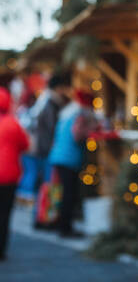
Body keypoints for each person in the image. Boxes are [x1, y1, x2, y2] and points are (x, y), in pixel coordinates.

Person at [49, 89, 98, 237]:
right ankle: (65, 228)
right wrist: (90, 132)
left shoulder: (67, 113)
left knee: (64, 192)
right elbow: (77, 135)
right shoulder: (79, 115)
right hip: (68, 158)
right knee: (69, 194)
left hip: (59, 156)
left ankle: (60, 224)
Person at [30, 74, 70, 228]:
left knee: (43, 185)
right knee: (49, 185)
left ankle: (41, 217)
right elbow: (53, 129)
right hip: (48, 151)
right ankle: (46, 218)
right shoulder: (51, 103)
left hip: (41, 149)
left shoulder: (44, 101)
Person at [0, 88, 30, 261]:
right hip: (9, 176)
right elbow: (25, 145)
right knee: (4, 214)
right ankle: (1, 249)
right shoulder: (13, 123)